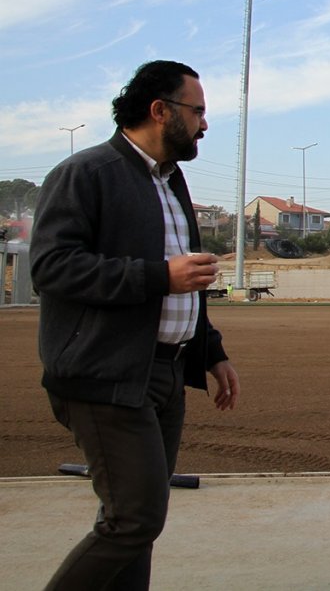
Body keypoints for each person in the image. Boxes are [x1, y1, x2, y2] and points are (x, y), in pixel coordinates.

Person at [30, 60, 240, 590]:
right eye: (198, 112)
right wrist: (157, 275)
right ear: (159, 110)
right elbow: (51, 267)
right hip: (105, 374)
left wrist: (211, 351)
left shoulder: (172, 183)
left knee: (137, 525)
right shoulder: (87, 173)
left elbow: (183, 279)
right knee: (134, 518)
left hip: (164, 374)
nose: (204, 125)